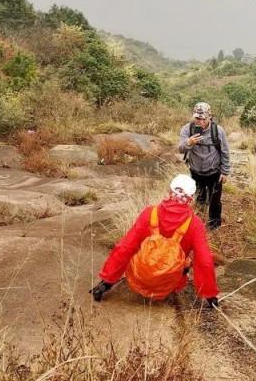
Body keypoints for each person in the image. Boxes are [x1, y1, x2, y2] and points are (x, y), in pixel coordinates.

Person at [89, 174, 219, 307]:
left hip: (140, 278)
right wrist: (210, 295)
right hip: (169, 284)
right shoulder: (195, 224)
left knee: (133, 247)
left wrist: (106, 282)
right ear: (190, 199)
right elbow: (204, 260)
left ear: (169, 192)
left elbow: (125, 247)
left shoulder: (149, 213)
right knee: (187, 261)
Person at [178, 102, 230, 230]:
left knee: (215, 201)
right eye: (197, 118)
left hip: (214, 172)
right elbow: (180, 149)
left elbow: (225, 152)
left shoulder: (217, 131)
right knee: (199, 198)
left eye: (203, 118)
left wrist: (225, 172)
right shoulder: (187, 129)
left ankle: (214, 225)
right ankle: (198, 221)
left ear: (210, 117)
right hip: (195, 172)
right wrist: (189, 142)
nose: (199, 121)